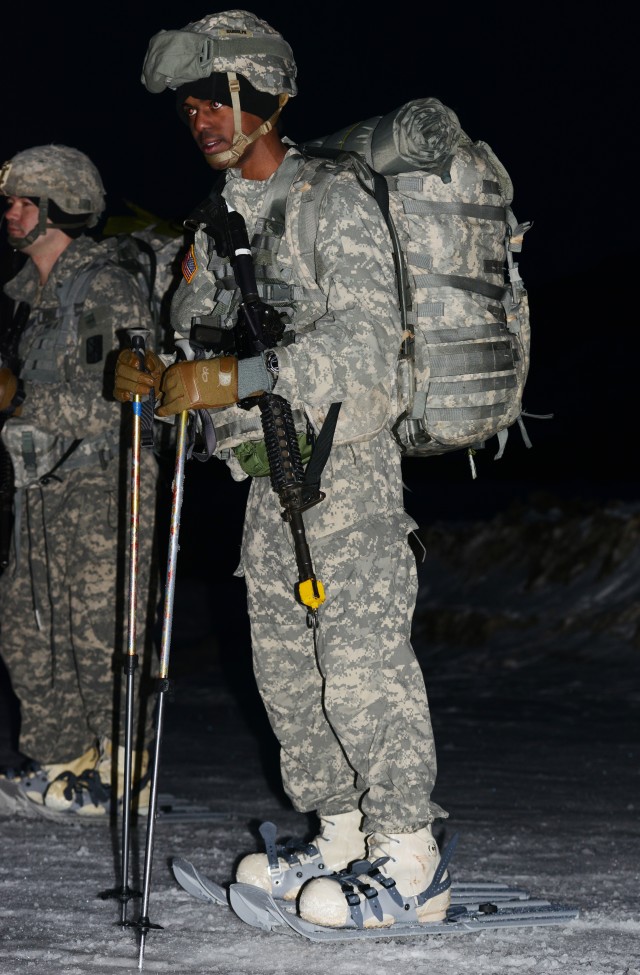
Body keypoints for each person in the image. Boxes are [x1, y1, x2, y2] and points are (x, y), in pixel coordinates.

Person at [115, 10, 451, 928]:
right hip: (270, 481)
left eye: (217, 101)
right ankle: (340, 833)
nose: (204, 123)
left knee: (360, 666)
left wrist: (236, 375)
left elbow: (368, 351)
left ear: (264, 96)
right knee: (289, 674)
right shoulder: (217, 223)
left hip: (347, 477)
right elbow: (201, 343)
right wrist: (166, 374)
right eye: (190, 110)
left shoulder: (330, 199)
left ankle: (411, 853)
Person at [0, 145, 158, 817]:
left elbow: (121, 398)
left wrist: (16, 400)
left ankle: (126, 772)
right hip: (41, 485)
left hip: (104, 486)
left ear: (61, 206)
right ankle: (64, 763)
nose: (10, 212)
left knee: (103, 635)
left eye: (23, 201)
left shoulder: (105, 285)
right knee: (26, 627)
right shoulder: (29, 298)